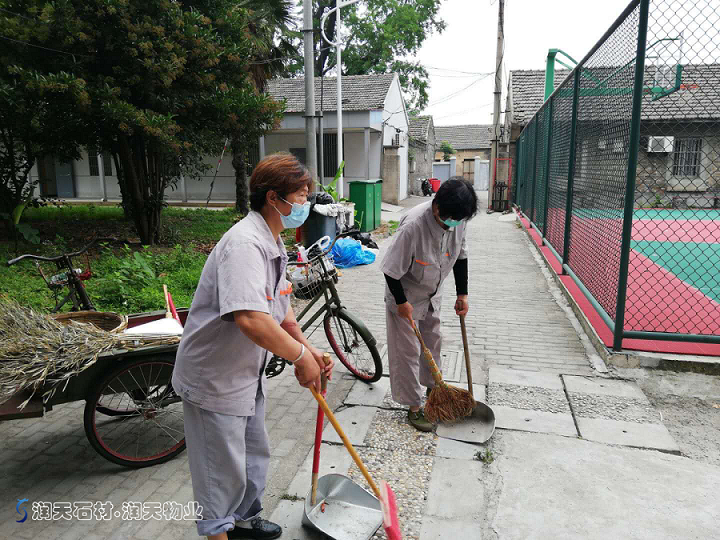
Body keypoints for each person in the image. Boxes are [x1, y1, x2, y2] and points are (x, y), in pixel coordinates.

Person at [172, 152, 334, 540]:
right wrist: (299, 358)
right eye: (301, 195)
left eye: (307, 194)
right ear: (273, 197)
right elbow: (250, 318)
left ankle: (244, 521)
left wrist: (308, 349)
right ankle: (218, 531)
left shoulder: (272, 240)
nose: (306, 203)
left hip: (245, 373)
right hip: (215, 378)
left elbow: (281, 309)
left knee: (252, 454)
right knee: (220, 472)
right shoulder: (244, 244)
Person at [380, 177, 477, 432]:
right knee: (407, 351)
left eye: (459, 219)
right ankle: (413, 405)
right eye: (450, 219)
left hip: (432, 292)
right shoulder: (413, 227)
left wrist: (463, 294)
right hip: (404, 294)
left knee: (433, 341)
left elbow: (461, 256)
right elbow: (390, 270)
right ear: (436, 207)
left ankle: (435, 388)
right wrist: (402, 303)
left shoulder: (458, 218)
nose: (454, 223)